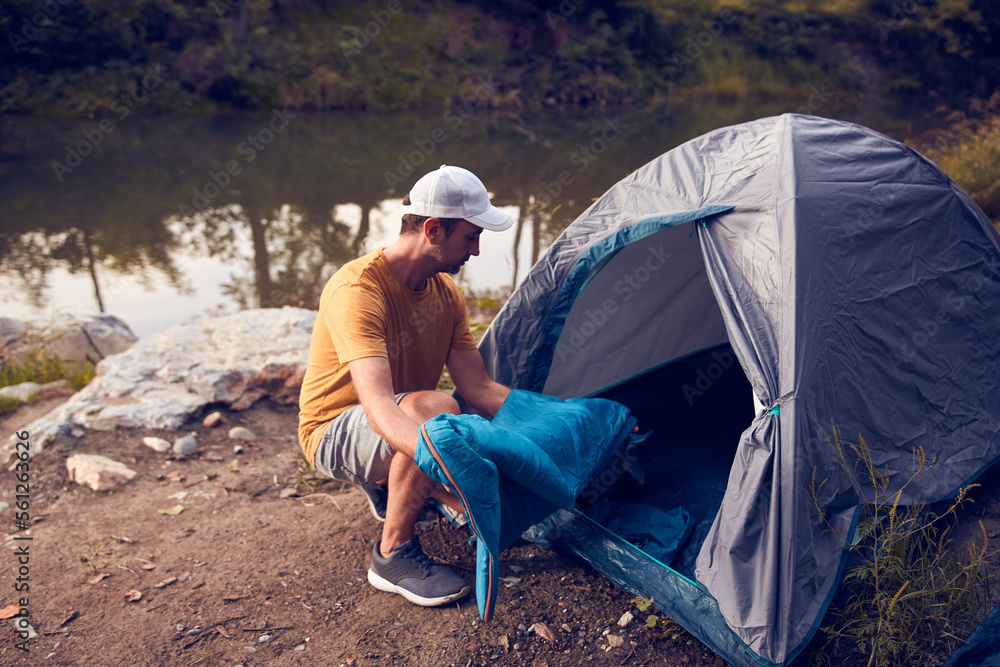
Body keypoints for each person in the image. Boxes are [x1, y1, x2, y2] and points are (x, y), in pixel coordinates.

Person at [297, 165, 514, 607]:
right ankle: (391, 555)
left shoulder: (446, 292)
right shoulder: (357, 289)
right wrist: (454, 470)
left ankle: (397, 479)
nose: (475, 249)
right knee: (437, 411)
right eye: (470, 236)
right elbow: (377, 405)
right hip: (333, 429)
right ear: (433, 229)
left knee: (446, 413)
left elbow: (480, 388)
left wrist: (558, 419)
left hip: (400, 416)